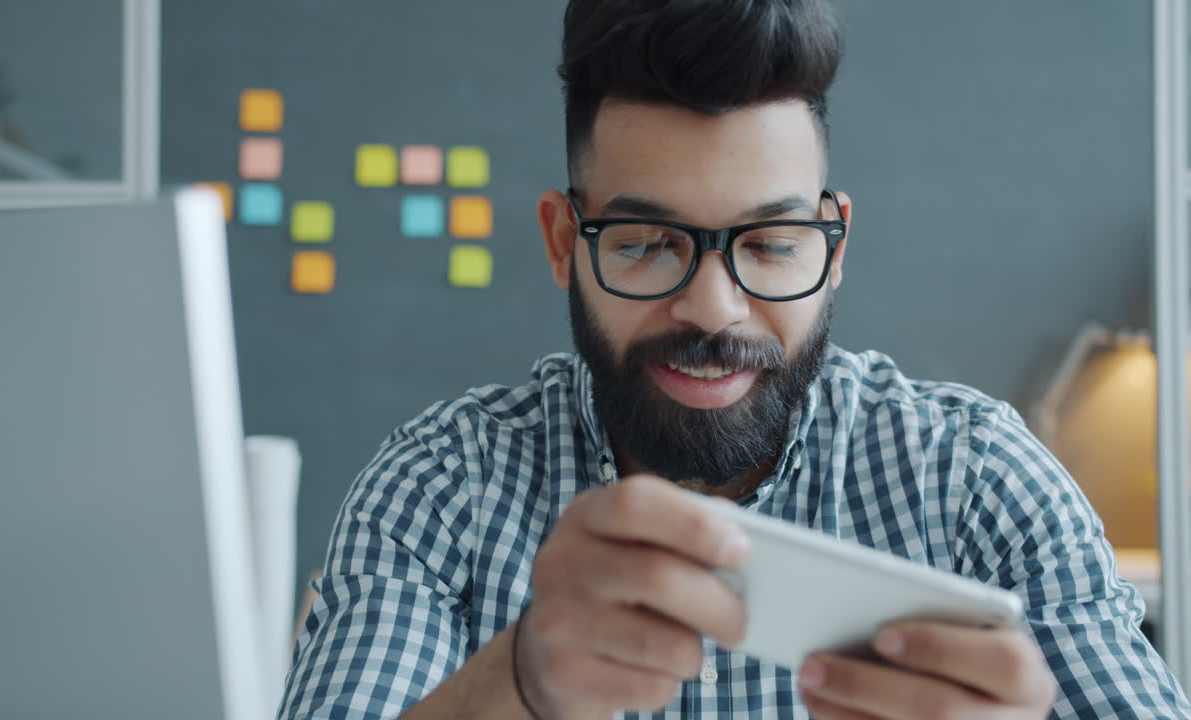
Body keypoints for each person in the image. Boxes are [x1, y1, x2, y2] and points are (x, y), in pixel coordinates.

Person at [278, 1, 1191, 718]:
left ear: (832, 249)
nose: (712, 307)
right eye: (643, 243)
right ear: (563, 241)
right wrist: (516, 687)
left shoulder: (976, 479)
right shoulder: (442, 488)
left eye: (770, 244)